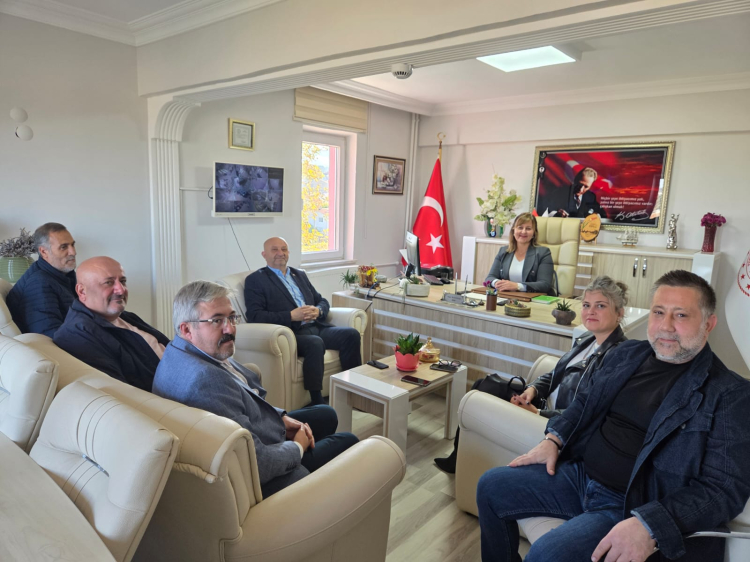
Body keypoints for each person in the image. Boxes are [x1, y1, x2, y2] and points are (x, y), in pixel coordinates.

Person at [476, 270, 750, 562]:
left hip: (632, 505)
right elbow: (584, 402)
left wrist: (650, 524)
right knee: (491, 486)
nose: (666, 326)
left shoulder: (729, 393)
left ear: (709, 324)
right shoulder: (628, 353)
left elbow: (724, 489)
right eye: (658, 312)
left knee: (546, 554)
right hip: (580, 476)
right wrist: (554, 438)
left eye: (681, 315)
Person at [153, 281, 358, 497]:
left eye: (232, 317)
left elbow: (242, 395)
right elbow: (258, 464)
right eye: (217, 320)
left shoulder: (179, 351)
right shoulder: (206, 381)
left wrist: (281, 418)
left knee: (326, 414)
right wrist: (298, 447)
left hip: (258, 431)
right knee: (348, 441)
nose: (230, 328)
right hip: (268, 468)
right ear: (186, 329)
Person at [434, 276, 628, 473]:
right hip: (542, 403)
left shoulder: (617, 356)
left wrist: (537, 413)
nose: (591, 311)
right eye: (586, 305)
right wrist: (533, 389)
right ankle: (458, 459)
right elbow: (556, 374)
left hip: (555, 423)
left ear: (619, 313)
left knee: (476, 398)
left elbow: (588, 412)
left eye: (600, 306)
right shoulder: (588, 338)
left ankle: (458, 462)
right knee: (484, 384)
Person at [244, 237, 362, 405]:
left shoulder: (299, 274)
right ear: (264, 254)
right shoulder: (256, 280)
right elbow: (255, 316)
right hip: (290, 333)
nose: (280, 253)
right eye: (274, 249)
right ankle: (316, 400)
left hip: (316, 326)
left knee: (351, 335)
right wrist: (290, 316)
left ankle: (354, 391)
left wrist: (318, 310)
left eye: (284, 249)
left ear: (288, 252)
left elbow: (321, 300)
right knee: (315, 343)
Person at [54, 256, 169, 391]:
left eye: (123, 281)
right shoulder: (77, 334)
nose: (121, 290)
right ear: (82, 291)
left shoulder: (126, 316)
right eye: (108, 283)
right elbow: (120, 391)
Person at [7, 222, 77, 337]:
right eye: (64, 247)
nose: (73, 252)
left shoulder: (65, 274)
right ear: (44, 252)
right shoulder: (39, 283)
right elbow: (50, 335)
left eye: (72, 245)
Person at [485, 213, 554, 295]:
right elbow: (489, 278)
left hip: (532, 299)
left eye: (528, 228)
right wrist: (497, 283)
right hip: (506, 297)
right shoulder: (504, 251)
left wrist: (517, 286)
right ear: (513, 230)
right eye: (520, 227)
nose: (523, 232)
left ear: (534, 233)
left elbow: (545, 284)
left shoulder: (543, 253)